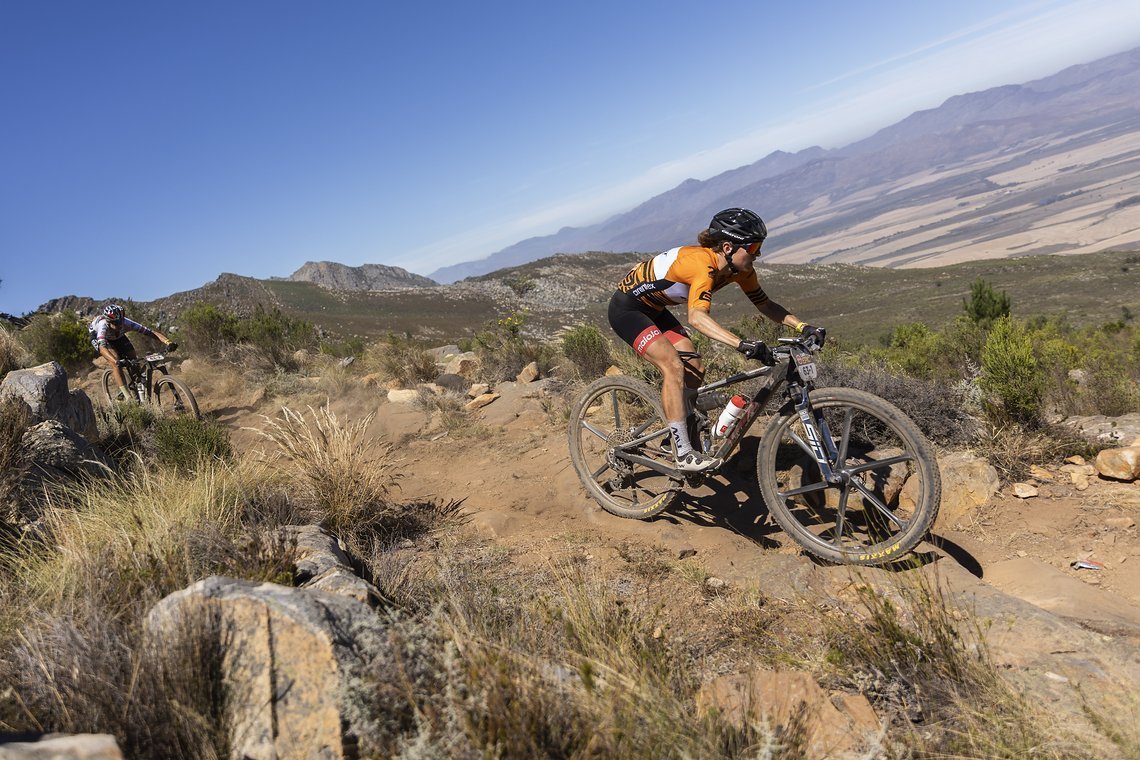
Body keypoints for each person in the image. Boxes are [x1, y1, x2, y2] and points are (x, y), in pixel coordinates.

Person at [608, 208, 825, 472]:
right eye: (754, 246)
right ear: (728, 247)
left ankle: (673, 435)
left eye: (760, 246)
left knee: (696, 368)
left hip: (656, 310)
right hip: (628, 310)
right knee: (673, 366)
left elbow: (766, 305)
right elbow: (697, 318)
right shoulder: (703, 264)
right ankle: (683, 452)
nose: (758, 253)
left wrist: (803, 326)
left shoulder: (740, 270)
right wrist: (741, 344)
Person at [89, 303, 176, 401]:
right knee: (115, 361)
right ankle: (128, 398)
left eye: (120, 323)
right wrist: (116, 361)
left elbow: (151, 333)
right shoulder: (102, 325)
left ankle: (136, 380)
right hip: (100, 338)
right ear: (109, 322)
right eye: (116, 324)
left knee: (132, 356)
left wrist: (168, 342)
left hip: (118, 337)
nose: (119, 326)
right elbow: (102, 348)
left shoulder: (127, 323)